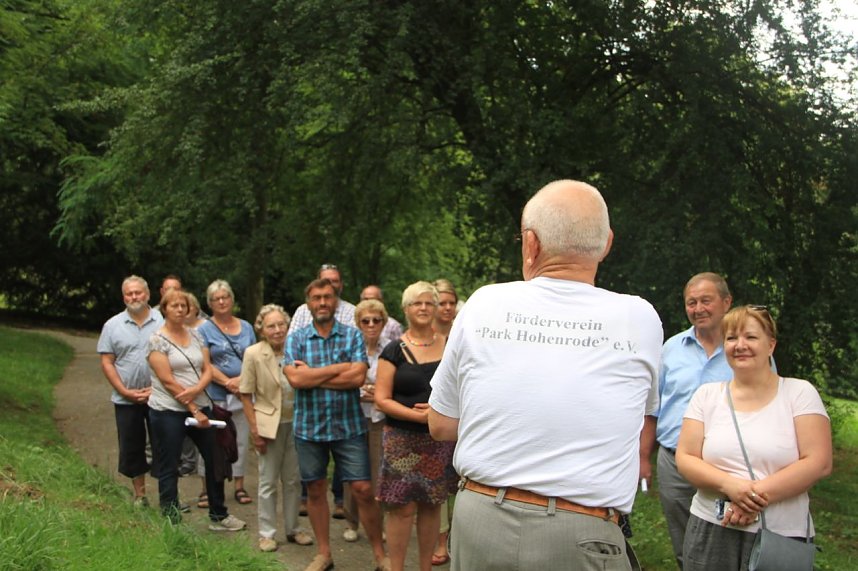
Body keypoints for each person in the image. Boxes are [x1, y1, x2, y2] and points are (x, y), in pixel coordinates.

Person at [428, 179, 663, 571]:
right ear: (606, 243)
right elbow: (636, 418)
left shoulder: (484, 301)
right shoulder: (640, 318)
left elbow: (440, 423)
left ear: (531, 244)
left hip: (480, 521)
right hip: (582, 531)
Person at [675, 305, 832, 570]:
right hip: (712, 529)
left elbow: (819, 461)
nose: (740, 345)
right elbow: (686, 457)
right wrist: (731, 487)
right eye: (731, 338)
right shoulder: (707, 395)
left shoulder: (799, 394)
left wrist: (752, 498)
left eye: (750, 337)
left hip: (780, 535)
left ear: (771, 345)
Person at [284, 278, 389, 571]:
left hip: (348, 427)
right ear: (309, 303)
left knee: (363, 489)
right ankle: (325, 554)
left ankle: (380, 555)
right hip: (309, 427)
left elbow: (357, 379)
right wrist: (339, 369)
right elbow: (295, 379)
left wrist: (314, 375)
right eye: (316, 298)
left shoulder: (352, 336)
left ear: (336, 300)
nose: (322, 303)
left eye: (327, 297)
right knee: (315, 489)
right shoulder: (297, 338)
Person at [650, 272, 734, 568]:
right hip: (674, 463)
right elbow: (653, 408)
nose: (698, 309)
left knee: (727, 536)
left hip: (725, 466)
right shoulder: (671, 349)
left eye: (706, 301)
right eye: (691, 302)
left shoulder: (745, 349)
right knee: (684, 540)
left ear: (726, 302)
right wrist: (641, 457)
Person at [146, 288, 246, 531]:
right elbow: (167, 381)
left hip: (201, 404)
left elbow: (207, 368)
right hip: (167, 410)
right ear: (164, 309)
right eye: (174, 306)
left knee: (215, 459)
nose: (180, 310)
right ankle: (171, 518)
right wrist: (192, 406)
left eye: (184, 306)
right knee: (170, 463)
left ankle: (219, 515)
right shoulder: (157, 340)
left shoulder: (197, 336)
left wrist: (198, 390)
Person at [375, 281, 458, 571]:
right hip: (401, 440)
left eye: (428, 303)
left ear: (437, 308)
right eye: (416, 303)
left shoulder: (451, 346)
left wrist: (436, 416)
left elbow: (461, 391)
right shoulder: (393, 350)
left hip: (438, 441)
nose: (423, 308)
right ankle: (396, 567)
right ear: (406, 309)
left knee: (431, 505)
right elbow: (381, 399)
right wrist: (419, 416)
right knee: (400, 507)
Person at [240, 304, 314, 552]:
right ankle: (267, 533)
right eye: (271, 326)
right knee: (268, 481)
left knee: (293, 480)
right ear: (261, 329)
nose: (277, 330)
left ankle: (293, 528)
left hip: (297, 424)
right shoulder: (252, 353)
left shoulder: (297, 349)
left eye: (281, 324)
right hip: (268, 426)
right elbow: (246, 395)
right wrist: (254, 431)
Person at [290, 264, 357, 517]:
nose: (332, 285)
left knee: (347, 463)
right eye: (326, 280)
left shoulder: (351, 312)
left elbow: (355, 366)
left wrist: (312, 374)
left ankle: (340, 501)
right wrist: (337, 367)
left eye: (336, 281)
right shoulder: (301, 312)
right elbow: (294, 363)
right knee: (312, 467)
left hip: (344, 406)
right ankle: (306, 498)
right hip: (310, 409)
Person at [97, 275, 163, 506]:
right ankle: (140, 495)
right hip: (126, 399)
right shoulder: (112, 325)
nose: (134, 297)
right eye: (129, 293)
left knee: (164, 445)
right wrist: (124, 390)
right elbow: (107, 361)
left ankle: (168, 495)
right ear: (123, 296)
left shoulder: (163, 321)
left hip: (160, 397)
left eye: (138, 292)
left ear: (148, 295)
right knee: (132, 446)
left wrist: (158, 389)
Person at [197, 280, 257, 506]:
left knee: (240, 439)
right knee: (211, 440)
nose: (221, 302)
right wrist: (227, 382)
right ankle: (206, 487)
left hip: (243, 393)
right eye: (216, 298)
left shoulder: (247, 327)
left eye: (225, 297)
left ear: (232, 300)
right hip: (215, 393)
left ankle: (239, 485)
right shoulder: (202, 329)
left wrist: (241, 381)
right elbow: (204, 363)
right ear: (210, 303)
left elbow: (253, 357)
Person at [341, 298, 394, 543]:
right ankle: (352, 522)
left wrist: (375, 390)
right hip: (353, 416)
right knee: (353, 472)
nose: (371, 325)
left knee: (378, 473)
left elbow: (393, 384)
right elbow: (346, 379)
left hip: (380, 418)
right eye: (366, 320)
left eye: (376, 320)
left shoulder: (392, 348)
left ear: (384, 323)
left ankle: (378, 525)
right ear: (358, 323)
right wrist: (371, 389)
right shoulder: (349, 346)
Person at [429, 277, 459, 563]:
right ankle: (438, 539)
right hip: (432, 415)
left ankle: (455, 536)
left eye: (451, 303)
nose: (447, 308)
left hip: (461, 416)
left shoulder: (465, 331)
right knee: (437, 481)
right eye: (442, 303)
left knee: (459, 479)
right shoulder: (424, 336)